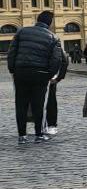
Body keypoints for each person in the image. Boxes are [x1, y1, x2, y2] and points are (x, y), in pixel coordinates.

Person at [7, 10, 65, 145]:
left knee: (21, 104)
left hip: (21, 73)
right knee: (39, 104)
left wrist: (13, 70)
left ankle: (22, 136)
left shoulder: (21, 32)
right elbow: (56, 60)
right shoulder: (53, 37)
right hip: (41, 74)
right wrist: (50, 74)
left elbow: (12, 52)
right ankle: (39, 134)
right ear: (50, 23)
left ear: (37, 20)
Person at [44, 34, 70, 134]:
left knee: (36, 101)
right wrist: (58, 77)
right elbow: (63, 60)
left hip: (35, 76)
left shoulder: (29, 40)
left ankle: (39, 127)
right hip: (50, 78)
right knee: (50, 101)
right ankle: (51, 126)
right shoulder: (53, 39)